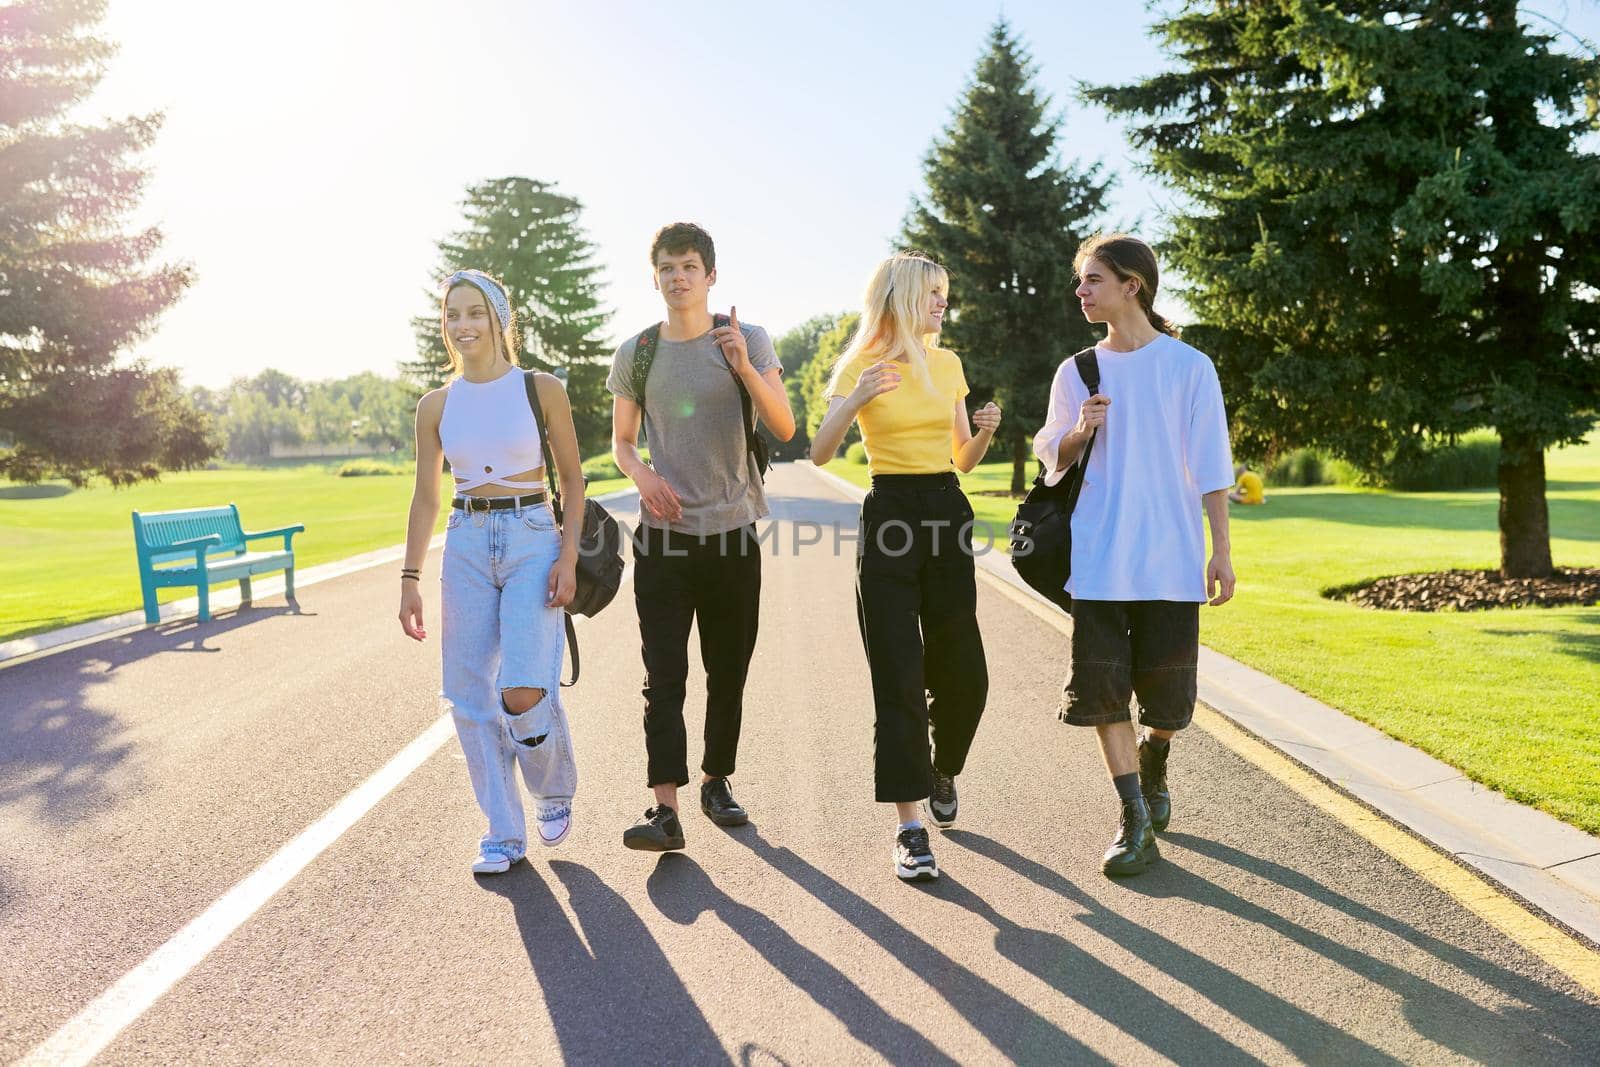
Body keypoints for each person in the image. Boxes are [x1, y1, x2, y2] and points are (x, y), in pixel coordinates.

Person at [1032, 234, 1236, 878]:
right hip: (1097, 558)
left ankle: (1155, 760)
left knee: (1169, 702)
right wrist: (1077, 431)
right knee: (1102, 690)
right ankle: (1132, 818)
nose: (1081, 291)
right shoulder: (1077, 371)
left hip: (1171, 559)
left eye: (1093, 279)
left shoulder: (1189, 367)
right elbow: (1051, 459)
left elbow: (1212, 467)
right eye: (1080, 281)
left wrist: (1221, 551)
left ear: (1132, 285)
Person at [810, 250, 1002, 882]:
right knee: (897, 673)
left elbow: (963, 459)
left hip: (948, 508)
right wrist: (855, 395)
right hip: (889, 511)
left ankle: (942, 766)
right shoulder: (860, 364)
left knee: (964, 674)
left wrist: (985, 432)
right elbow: (819, 451)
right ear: (899, 298)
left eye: (945, 291)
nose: (942, 302)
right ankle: (910, 827)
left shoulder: (948, 364)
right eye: (932, 293)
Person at [608, 222, 796, 852]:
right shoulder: (636, 352)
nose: (678, 277)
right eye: (667, 267)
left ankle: (717, 780)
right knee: (663, 674)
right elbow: (621, 443)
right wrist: (642, 474)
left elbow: (785, 425)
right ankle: (665, 808)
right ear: (654, 276)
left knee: (728, 669)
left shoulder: (746, 338)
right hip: (663, 538)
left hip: (732, 532)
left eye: (689, 266)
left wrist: (742, 364)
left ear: (710, 275)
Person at [398, 269, 585, 874]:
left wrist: (568, 555)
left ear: (500, 319)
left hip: (532, 535)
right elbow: (426, 496)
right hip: (467, 540)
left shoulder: (541, 389)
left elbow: (575, 481)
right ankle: (503, 833)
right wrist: (409, 579)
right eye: (452, 314)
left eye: (475, 312)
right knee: (471, 698)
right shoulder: (436, 405)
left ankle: (552, 788)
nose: (462, 325)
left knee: (524, 688)